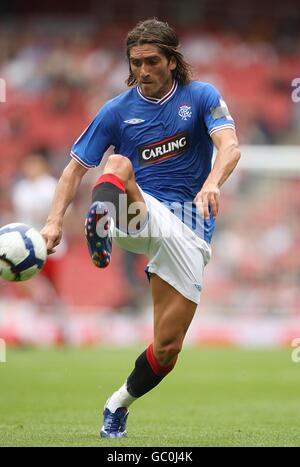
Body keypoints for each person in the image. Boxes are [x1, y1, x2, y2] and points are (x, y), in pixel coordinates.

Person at [41, 19, 241, 438]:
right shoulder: (116, 110)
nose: (144, 70)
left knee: (167, 351)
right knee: (118, 165)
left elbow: (230, 146)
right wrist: (53, 221)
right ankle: (103, 223)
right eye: (136, 63)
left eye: (153, 61)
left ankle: (117, 405)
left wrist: (211, 183)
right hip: (141, 213)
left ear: (172, 61)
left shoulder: (201, 96)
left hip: (189, 230)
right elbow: (74, 169)